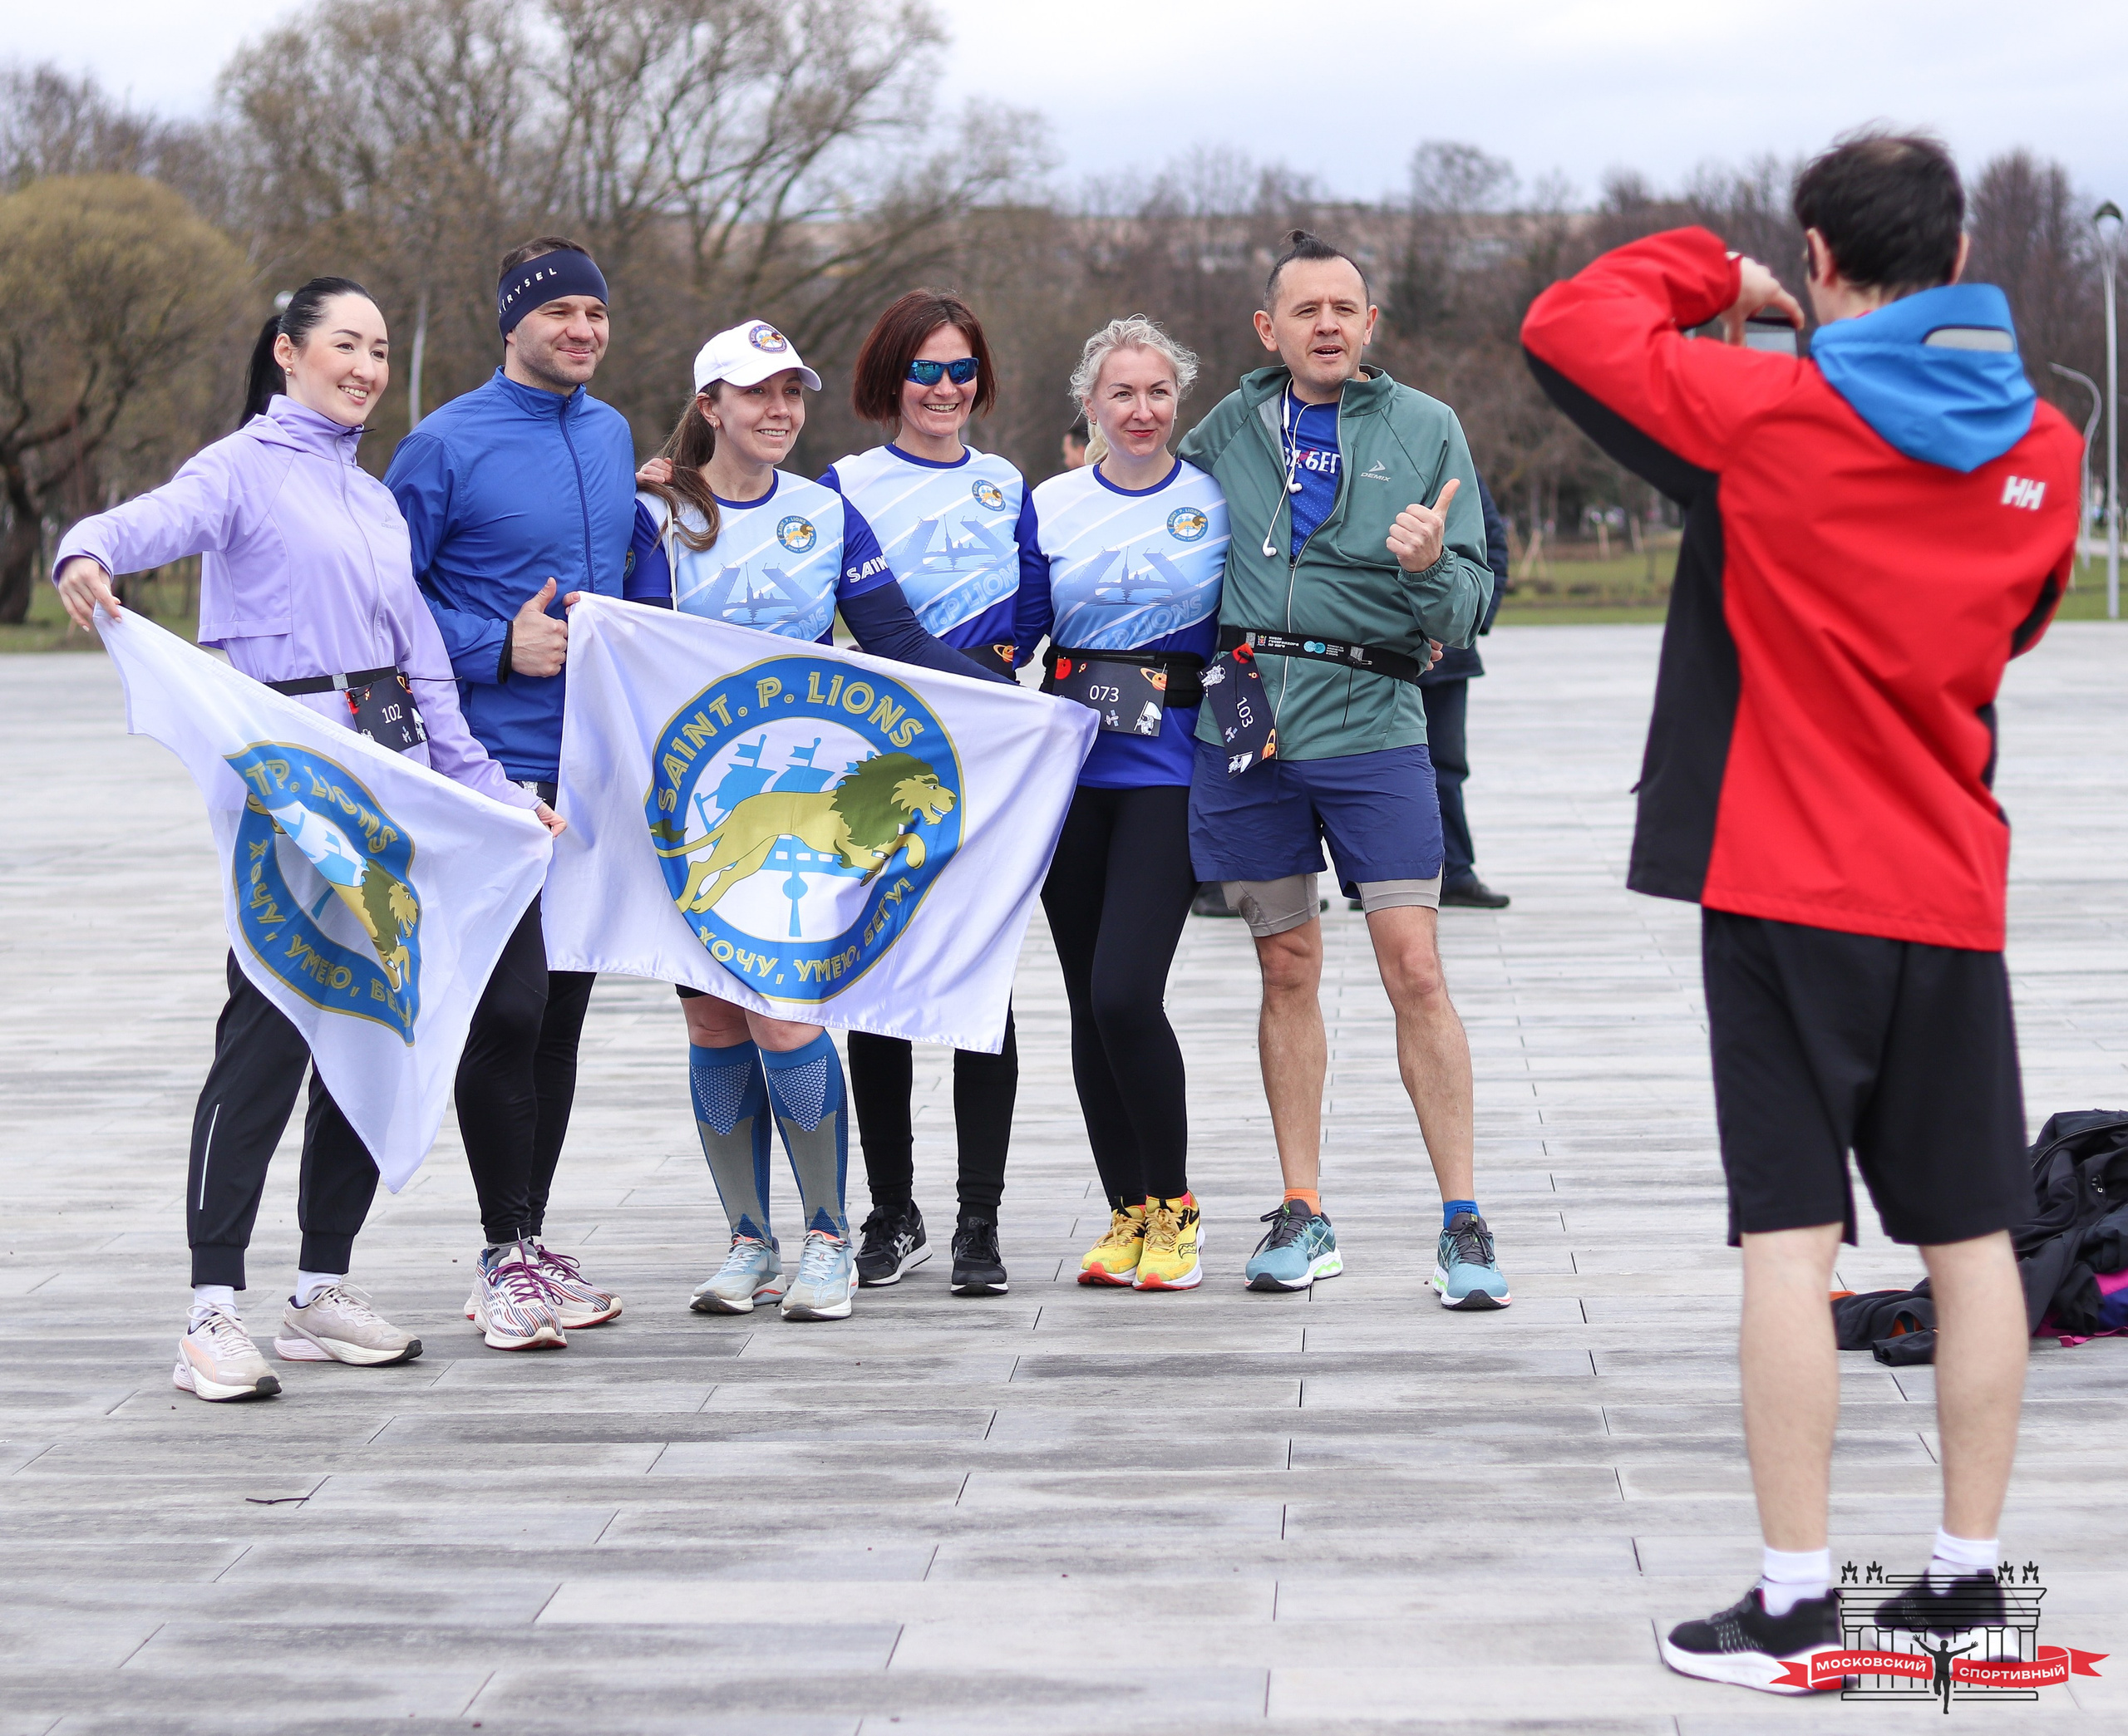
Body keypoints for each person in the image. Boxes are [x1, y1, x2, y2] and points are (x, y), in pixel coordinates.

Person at [1521, 130, 2080, 1692]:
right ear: (1959, 256)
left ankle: (1796, 1603)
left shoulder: (1775, 407)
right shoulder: (2047, 445)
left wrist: (1723, 275)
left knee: (1791, 1243)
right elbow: (2015, 629)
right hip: (1947, 880)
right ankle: (1967, 1587)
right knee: (1972, 1237)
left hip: (1786, 881)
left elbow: (1569, 323)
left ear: (1822, 260)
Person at [51, 278, 566, 1396]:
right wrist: (85, 548)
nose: (368, 367)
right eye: (346, 343)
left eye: (379, 349)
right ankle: (210, 1310)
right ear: (288, 352)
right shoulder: (240, 469)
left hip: (384, 790)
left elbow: (426, 675)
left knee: (365, 1023)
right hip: (286, 790)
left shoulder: (374, 501)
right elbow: (148, 523)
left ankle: (319, 1286)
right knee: (271, 1024)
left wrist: (491, 795)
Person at [626, 319, 1008, 1322]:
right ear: (710, 405)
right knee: (713, 1019)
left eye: (791, 392)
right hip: (692, 800)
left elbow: (896, 639)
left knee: (788, 1014)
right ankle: (749, 1241)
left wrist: (1023, 711)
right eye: (757, 393)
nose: (779, 410)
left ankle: (829, 1238)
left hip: (798, 811)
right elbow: (627, 647)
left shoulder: (826, 511)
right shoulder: (655, 513)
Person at [1177, 230, 1507, 1306]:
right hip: (1246, 724)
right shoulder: (1226, 429)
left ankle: (1463, 1222)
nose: (1327, 324)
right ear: (1268, 329)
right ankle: (1302, 1207)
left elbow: (1468, 605)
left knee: (1416, 968)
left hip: (1373, 722)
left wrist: (1429, 567)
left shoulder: (1426, 427)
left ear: (1370, 324)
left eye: (1344, 307)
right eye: (1305, 309)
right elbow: (1150, 520)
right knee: (1285, 966)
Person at [385, 237, 637, 1340]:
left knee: (559, 1020)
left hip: (588, 776)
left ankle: (530, 1242)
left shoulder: (612, 432)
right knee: (510, 1009)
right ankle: (500, 1256)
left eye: (596, 313)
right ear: (511, 322)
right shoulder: (443, 444)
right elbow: (380, 603)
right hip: (483, 776)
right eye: (559, 312)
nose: (581, 330)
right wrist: (495, 643)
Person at [822, 289, 1046, 1297]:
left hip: (988, 760)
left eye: (961, 369)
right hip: (888, 760)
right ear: (891, 377)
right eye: (925, 369)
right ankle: (892, 1208)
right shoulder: (844, 486)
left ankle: (978, 1219)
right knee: (879, 984)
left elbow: (1036, 612)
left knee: (981, 987)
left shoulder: (1008, 484)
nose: (944, 388)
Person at [1016, 316, 1226, 1291]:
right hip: (1069, 778)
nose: (1141, 411)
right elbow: (1014, 626)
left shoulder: (1214, 499)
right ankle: (1127, 1211)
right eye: (1121, 394)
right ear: (1089, 405)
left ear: (1177, 400)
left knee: (1124, 994)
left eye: (1157, 392)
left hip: (1168, 774)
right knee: (1084, 1006)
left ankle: (1175, 1204)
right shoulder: (1049, 504)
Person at [1347, 473, 1510, 912]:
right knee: (1367, 768)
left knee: (1447, 768)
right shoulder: (1360, 466)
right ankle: (1372, 879)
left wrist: (1468, 622)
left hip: (1446, 663)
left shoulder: (1453, 469)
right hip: (1373, 654)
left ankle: (1455, 871)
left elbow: (1492, 548)